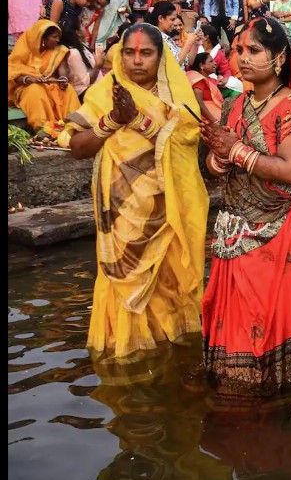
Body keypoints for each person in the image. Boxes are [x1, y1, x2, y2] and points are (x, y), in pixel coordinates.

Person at [58, 23, 208, 358]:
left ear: (160, 57)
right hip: (122, 207)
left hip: (169, 207)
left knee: (171, 277)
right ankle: (128, 349)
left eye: (146, 53)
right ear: (120, 55)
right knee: (125, 280)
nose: (137, 60)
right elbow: (78, 147)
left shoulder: (178, 95)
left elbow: (186, 145)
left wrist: (138, 120)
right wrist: (113, 118)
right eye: (129, 52)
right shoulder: (105, 91)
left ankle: (172, 346)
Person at [198, 16, 291, 395]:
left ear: (280, 58)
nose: (243, 58)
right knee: (233, 326)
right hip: (234, 232)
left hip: (278, 234)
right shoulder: (234, 105)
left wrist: (234, 151)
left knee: (267, 325)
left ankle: (274, 405)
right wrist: (218, 159)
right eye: (239, 50)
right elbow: (215, 165)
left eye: (254, 50)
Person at [8, 20, 81, 130]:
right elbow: (14, 73)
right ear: (42, 38)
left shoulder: (58, 50)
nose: (58, 40)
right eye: (54, 37)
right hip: (26, 87)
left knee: (68, 89)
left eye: (58, 36)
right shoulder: (24, 49)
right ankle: (43, 128)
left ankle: (74, 126)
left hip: (50, 84)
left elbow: (63, 71)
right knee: (35, 89)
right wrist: (30, 79)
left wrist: (63, 80)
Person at [149, 1, 202, 72]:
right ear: (161, 18)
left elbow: (188, 62)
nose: (174, 23)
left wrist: (195, 43)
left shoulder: (168, 38)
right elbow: (175, 64)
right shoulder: (156, 38)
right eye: (172, 19)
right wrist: (188, 42)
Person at [60, 24, 105, 101]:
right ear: (78, 32)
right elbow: (86, 82)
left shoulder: (82, 46)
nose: (85, 26)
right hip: (87, 98)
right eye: (82, 25)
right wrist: (98, 66)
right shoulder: (73, 53)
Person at [187, 52, 224, 122]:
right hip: (207, 122)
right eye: (211, 61)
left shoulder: (210, 80)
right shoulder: (198, 79)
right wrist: (214, 121)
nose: (215, 63)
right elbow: (199, 102)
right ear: (201, 65)